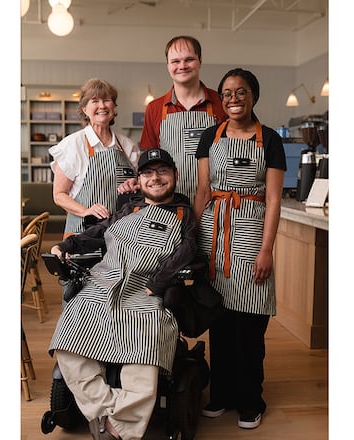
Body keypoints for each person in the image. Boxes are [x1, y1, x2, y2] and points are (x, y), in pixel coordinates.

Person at [48, 148, 197, 440]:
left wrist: (159, 282)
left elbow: (189, 250)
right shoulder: (129, 209)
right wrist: (66, 246)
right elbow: (97, 232)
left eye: (162, 171)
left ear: (175, 175)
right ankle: (113, 414)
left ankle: (116, 430)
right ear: (139, 181)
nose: (155, 178)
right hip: (102, 285)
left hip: (145, 291)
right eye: (148, 173)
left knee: (146, 349)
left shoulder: (184, 213)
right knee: (67, 343)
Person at [192, 68, 286, 430]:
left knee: (249, 326)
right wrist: (190, 239)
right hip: (214, 235)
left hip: (251, 235)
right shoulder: (210, 136)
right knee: (220, 323)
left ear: (253, 96)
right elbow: (203, 191)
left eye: (241, 92)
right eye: (227, 93)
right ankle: (221, 394)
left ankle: (250, 400)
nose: (234, 99)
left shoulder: (270, 140)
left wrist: (267, 250)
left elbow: (273, 201)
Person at [119, 35, 226, 203]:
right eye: (175, 61)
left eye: (189, 59)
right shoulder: (155, 108)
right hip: (170, 204)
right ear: (168, 65)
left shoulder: (221, 103)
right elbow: (150, 160)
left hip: (215, 202)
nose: (182, 66)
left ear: (200, 61)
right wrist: (138, 180)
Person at [50, 78, 141, 238]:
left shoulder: (128, 146)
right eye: (95, 101)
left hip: (121, 236)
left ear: (113, 106)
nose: (102, 106)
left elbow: (140, 188)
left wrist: (135, 185)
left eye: (107, 100)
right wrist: (86, 211)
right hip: (82, 233)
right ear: (84, 109)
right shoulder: (72, 145)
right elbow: (59, 195)